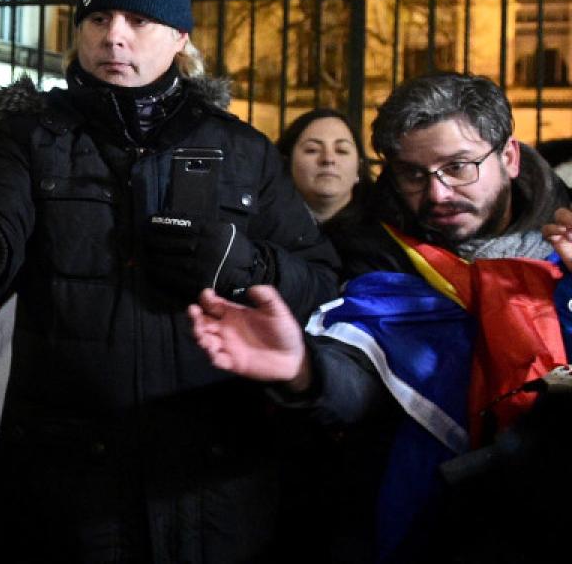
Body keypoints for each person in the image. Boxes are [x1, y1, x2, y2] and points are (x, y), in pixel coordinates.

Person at [0, 0, 339, 562]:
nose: (115, 36)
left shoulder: (242, 149)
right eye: (98, 18)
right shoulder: (29, 139)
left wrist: (237, 259)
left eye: (139, 20)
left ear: (180, 38)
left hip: (210, 485)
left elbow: (322, 285)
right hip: (66, 491)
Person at [190, 73, 572, 562]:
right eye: (413, 174)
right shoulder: (369, 252)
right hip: (420, 519)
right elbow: (361, 375)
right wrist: (305, 372)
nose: (437, 195)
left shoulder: (564, 244)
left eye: (458, 167)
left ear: (510, 157)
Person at [276, 107, 373, 228]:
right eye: (312, 150)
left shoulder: (384, 236)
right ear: (286, 163)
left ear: (359, 168)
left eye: (341, 151)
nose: (328, 159)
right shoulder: (261, 228)